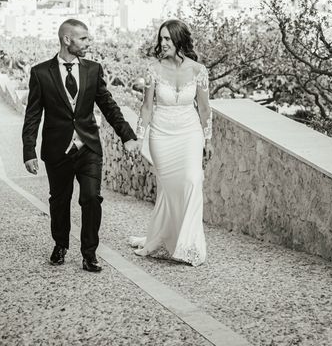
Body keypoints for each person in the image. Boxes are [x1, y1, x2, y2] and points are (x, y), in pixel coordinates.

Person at [22, 19, 137, 272]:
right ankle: (61, 244)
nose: (88, 42)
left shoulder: (93, 70)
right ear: (67, 40)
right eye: (83, 38)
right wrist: (28, 151)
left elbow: (108, 106)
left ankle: (89, 253)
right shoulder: (41, 73)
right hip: (57, 150)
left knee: (91, 198)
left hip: (88, 148)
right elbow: (33, 115)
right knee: (59, 201)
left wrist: (127, 135)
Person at [129, 19, 213, 266]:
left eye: (167, 38)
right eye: (161, 38)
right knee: (170, 188)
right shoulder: (153, 69)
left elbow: (205, 109)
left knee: (192, 180)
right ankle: (170, 238)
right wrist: (139, 137)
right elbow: (146, 108)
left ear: (179, 40)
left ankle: (190, 246)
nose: (162, 43)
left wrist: (208, 139)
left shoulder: (199, 70)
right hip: (162, 135)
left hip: (190, 132)